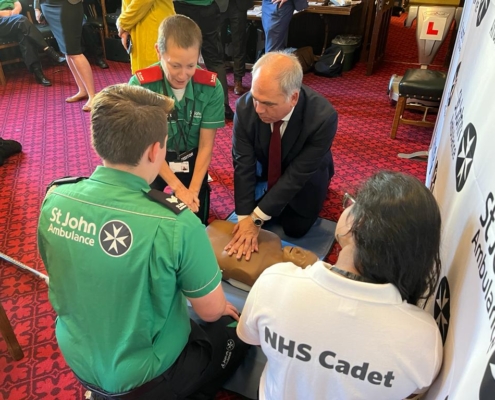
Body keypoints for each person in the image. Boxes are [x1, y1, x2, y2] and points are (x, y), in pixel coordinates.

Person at [37, 84, 249, 400]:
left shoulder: (55, 197)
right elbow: (210, 311)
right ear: (154, 151)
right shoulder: (177, 222)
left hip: (76, 358)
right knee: (237, 332)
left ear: (98, 143)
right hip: (148, 376)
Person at [237, 171, 444, 400]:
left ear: (357, 223)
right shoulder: (423, 336)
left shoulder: (275, 282)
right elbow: (416, 390)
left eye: (350, 203)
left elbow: (250, 337)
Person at [227, 51, 338, 260]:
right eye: (256, 98)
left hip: (306, 174)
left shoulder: (323, 118)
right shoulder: (244, 107)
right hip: (268, 166)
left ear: (293, 98)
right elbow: (243, 164)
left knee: (295, 228)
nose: (258, 109)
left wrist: (257, 219)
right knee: (251, 216)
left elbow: (297, 175)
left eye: (268, 104)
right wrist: (244, 219)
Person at [129, 15, 224, 225]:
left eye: (191, 65)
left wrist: (193, 191)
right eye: (175, 66)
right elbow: (145, 145)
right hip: (153, 156)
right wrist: (177, 187)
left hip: (191, 156)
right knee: (144, 216)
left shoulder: (211, 87)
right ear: (158, 51)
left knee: (197, 221)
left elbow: (206, 145)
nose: (183, 75)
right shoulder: (140, 85)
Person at [207, 219, 318, 287]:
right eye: (305, 251)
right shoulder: (273, 238)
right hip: (209, 229)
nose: (298, 250)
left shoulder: (256, 274)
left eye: (302, 257)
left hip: (201, 246)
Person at [173, 0, 234, 120]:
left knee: (182, 57)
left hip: (182, 8)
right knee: (215, 60)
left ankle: (181, 104)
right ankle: (223, 106)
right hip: (207, 9)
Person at [34, 0, 96, 111]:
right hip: (47, 5)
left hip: (67, 4)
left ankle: (93, 96)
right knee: (67, 50)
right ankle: (82, 90)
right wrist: (37, 8)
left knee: (74, 51)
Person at [0, 0, 65, 86]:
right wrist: (7, 13)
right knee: (22, 20)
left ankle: (38, 74)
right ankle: (49, 50)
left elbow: (17, 3)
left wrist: (16, 9)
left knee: (25, 36)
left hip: (13, 21)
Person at [116, 0, 174, 74]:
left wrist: (123, 24)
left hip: (153, 27)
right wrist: (125, 28)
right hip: (138, 24)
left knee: (152, 77)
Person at [220, 0, 253, 95]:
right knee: (218, 45)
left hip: (238, 4)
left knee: (239, 44)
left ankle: (238, 81)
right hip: (218, 5)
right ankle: (219, 79)